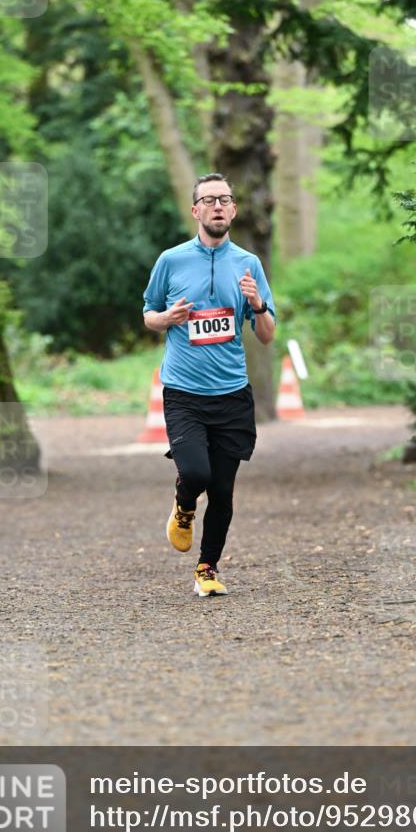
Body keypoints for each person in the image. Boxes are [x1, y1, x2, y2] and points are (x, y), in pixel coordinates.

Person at [143, 173, 276, 597]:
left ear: (234, 210)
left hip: (232, 393)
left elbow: (268, 334)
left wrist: (257, 305)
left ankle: (207, 568)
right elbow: (148, 313)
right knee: (197, 472)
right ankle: (183, 507)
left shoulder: (249, 264)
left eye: (225, 199)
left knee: (222, 489)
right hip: (184, 391)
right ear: (195, 210)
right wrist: (167, 319)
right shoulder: (172, 260)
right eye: (209, 200)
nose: (217, 206)